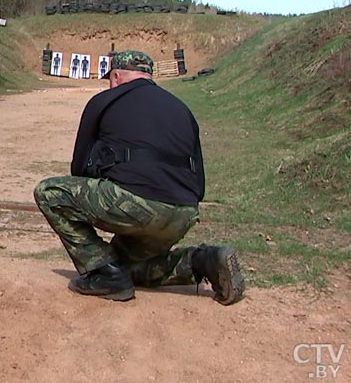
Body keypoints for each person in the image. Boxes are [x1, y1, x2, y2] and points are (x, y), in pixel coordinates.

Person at [33, 50, 244, 304]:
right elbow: (199, 183)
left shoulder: (104, 101)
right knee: (125, 267)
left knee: (49, 192)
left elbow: (79, 168)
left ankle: (103, 275)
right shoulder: (182, 109)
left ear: (117, 76)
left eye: (110, 78)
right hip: (184, 212)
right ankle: (203, 262)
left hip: (135, 205)